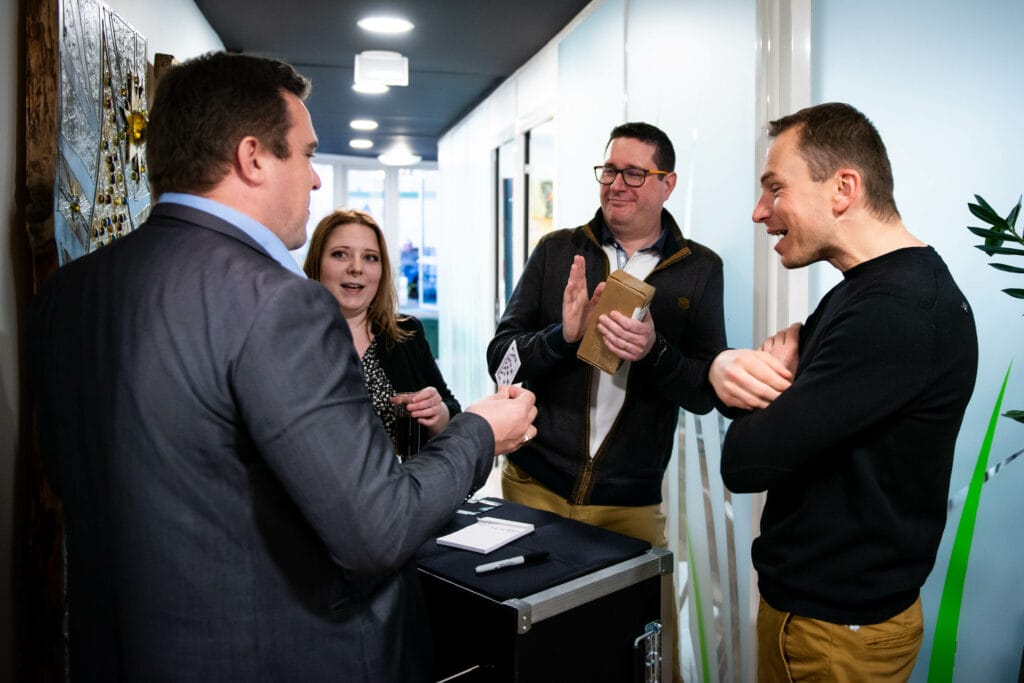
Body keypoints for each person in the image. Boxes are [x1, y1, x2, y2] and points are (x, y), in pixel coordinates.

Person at [29, 51, 537, 682]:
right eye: (306, 153)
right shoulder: (280, 302)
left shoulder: (69, 291)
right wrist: (482, 430)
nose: (317, 180)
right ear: (253, 158)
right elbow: (377, 528)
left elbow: (65, 468)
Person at [709, 102, 978, 681]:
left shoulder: (897, 314)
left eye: (775, 188)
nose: (760, 212)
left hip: (832, 635)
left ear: (843, 188)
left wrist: (768, 386)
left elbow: (746, 462)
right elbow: (783, 407)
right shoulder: (864, 292)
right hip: (821, 618)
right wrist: (757, 383)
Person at [487, 121, 726, 548]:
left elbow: (703, 393)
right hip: (535, 484)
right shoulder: (557, 251)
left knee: (629, 617)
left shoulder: (700, 270)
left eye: (634, 173)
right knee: (531, 614)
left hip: (629, 505)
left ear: (667, 184)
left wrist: (654, 352)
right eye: (610, 171)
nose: (617, 184)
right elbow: (500, 360)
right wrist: (563, 337)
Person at [303, 209, 455, 454]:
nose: (356, 268)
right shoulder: (291, 339)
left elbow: (450, 411)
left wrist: (437, 413)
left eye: (370, 257)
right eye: (340, 254)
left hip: (402, 487)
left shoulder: (407, 333)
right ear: (316, 264)